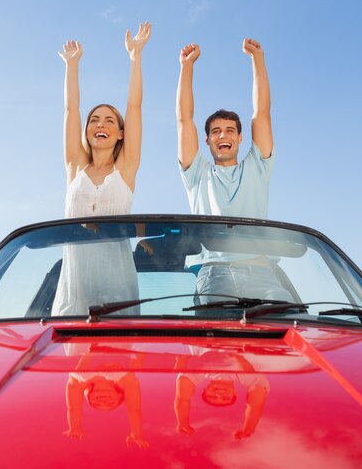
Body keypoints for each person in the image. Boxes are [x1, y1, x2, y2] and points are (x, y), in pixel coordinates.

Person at [176, 39, 291, 302]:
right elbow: (184, 119)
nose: (222, 135)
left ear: (240, 138)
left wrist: (257, 60)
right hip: (215, 273)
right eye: (215, 131)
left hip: (261, 272)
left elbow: (262, 112)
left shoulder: (257, 168)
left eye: (229, 130)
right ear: (207, 140)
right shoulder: (197, 174)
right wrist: (186, 67)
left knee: (287, 325)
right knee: (215, 339)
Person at [52, 22, 152, 315]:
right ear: (86, 132)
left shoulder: (126, 169)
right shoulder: (75, 168)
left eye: (109, 120)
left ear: (120, 133)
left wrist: (135, 58)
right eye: (95, 119)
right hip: (73, 294)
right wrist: (72, 66)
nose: (100, 124)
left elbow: (134, 107)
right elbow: (71, 110)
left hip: (118, 293)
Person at [174, 348, 269, 440]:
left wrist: (182, 423)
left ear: (205, 389)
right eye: (226, 398)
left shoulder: (198, 372)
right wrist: (248, 430)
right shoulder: (248, 378)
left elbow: (182, 398)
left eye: (211, 396)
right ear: (235, 393)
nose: (219, 394)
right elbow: (256, 405)